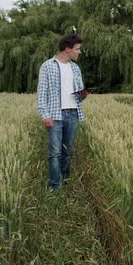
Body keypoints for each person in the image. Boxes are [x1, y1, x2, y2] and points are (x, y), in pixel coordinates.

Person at [37, 34, 90, 191]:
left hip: (73, 114)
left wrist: (83, 95)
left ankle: (65, 182)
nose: (79, 52)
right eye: (77, 49)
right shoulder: (47, 66)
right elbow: (41, 94)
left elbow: (79, 95)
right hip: (55, 115)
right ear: (67, 49)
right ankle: (55, 187)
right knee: (55, 153)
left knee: (68, 152)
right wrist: (44, 115)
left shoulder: (75, 68)